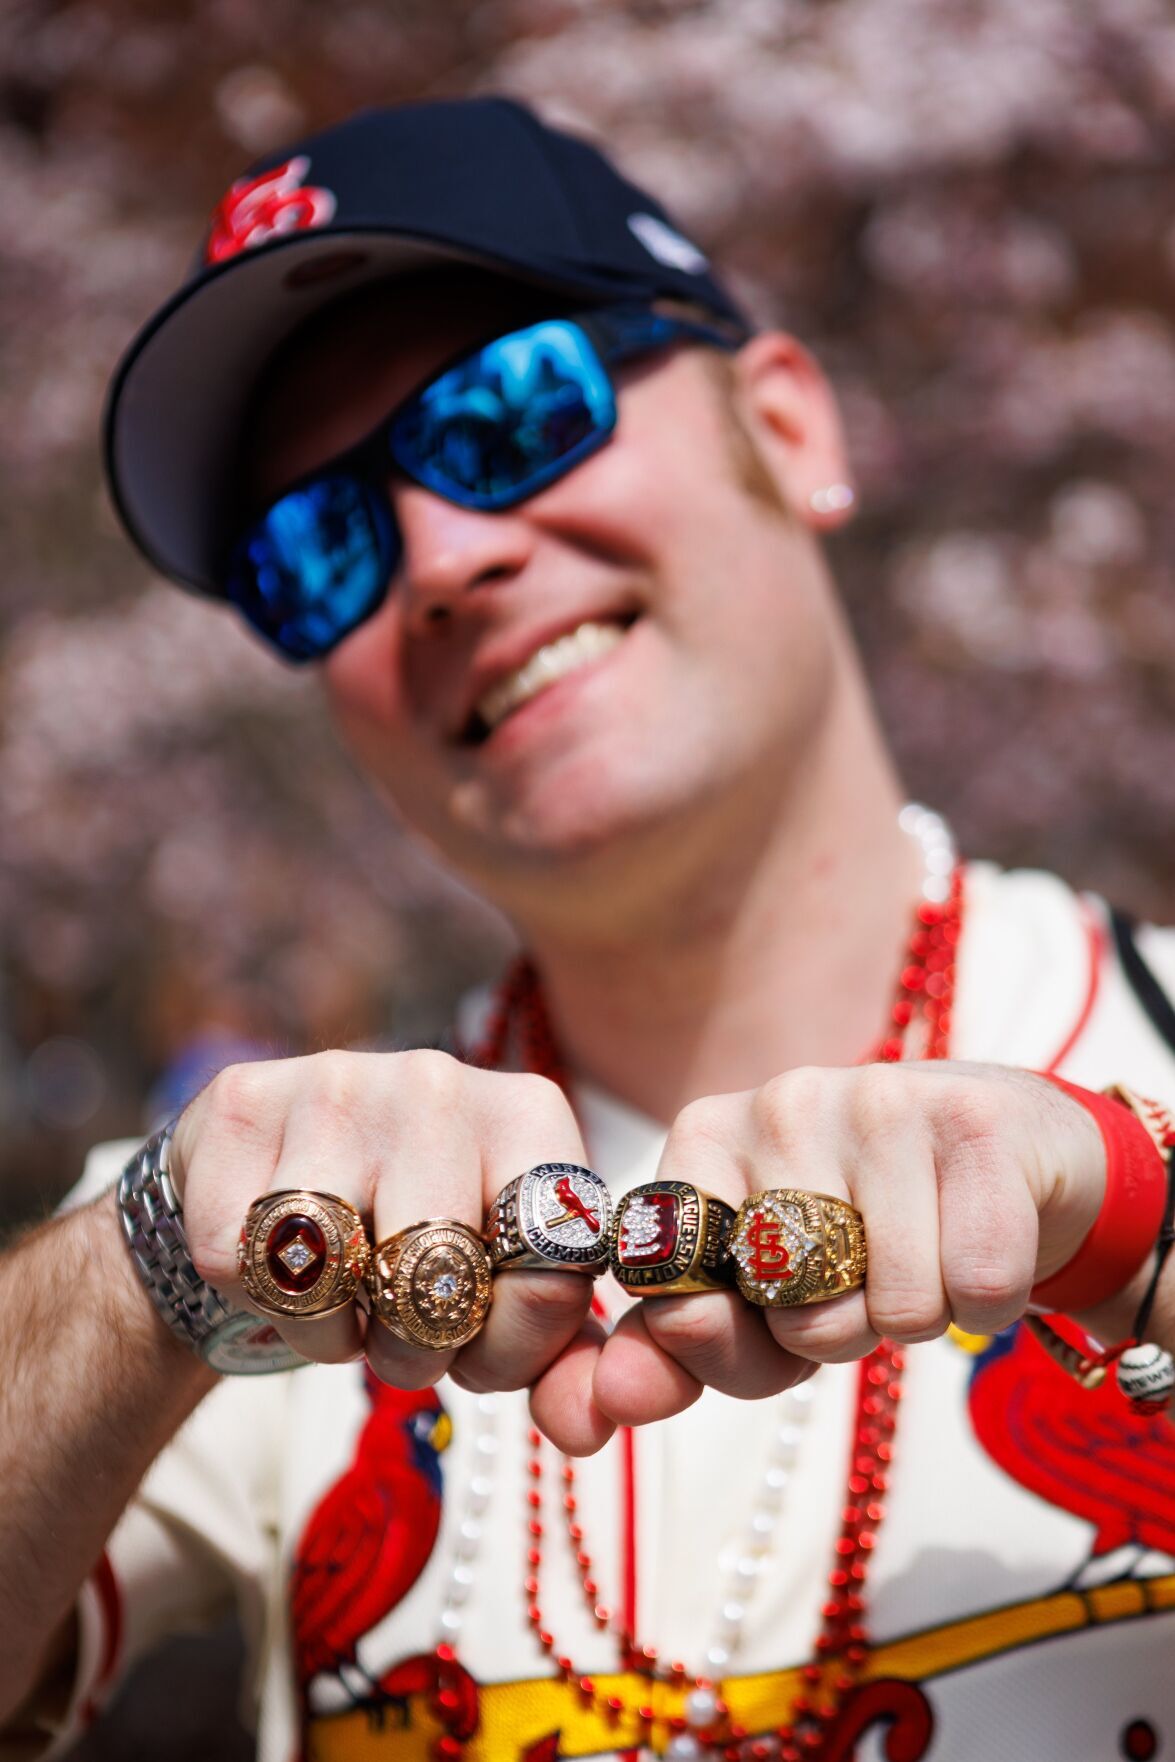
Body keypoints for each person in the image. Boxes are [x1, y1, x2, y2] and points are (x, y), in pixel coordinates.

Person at [2, 96, 1175, 1762]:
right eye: (315, 545)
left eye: (510, 410)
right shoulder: (254, 1244)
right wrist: (138, 1274)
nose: (447, 559)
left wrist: (1139, 1220)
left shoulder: (1154, 1039)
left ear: (786, 423)